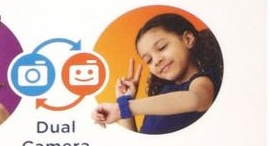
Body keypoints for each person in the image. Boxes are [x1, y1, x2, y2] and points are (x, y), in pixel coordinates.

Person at [90, 11, 224, 134]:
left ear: (188, 39)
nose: (156, 61)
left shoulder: (201, 82)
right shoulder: (160, 97)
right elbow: (135, 142)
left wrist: (121, 109)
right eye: (149, 60)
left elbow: (196, 100)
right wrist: (124, 100)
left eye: (162, 47)